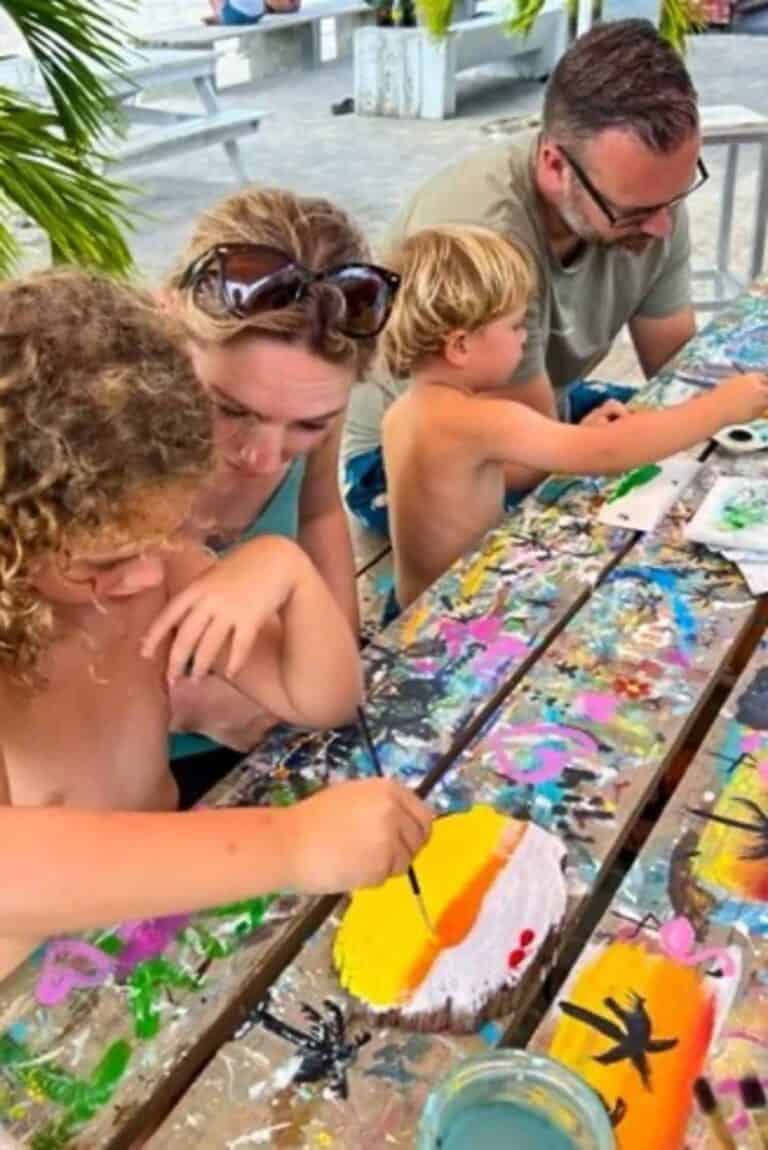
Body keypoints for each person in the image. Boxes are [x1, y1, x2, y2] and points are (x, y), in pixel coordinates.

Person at [0, 269, 432, 979]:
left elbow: (324, 700)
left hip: (158, 918)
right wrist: (290, 844)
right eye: (106, 562)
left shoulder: (156, 563)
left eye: (160, 538)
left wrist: (282, 568)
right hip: (38, 987)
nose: (147, 575)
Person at [343, 18, 708, 536]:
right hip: (395, 464)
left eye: (676, 195)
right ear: (555, 165)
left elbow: (678, 369)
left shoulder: (650, 195)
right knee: (620, 532)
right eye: (635, 211)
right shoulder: (486, 238)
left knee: (698, 443)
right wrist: (607, 435)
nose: (662, 226)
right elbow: (531, 454)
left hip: (544, 410)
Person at [380, 225, 768, 610]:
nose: (524, 338)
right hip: (454, 616)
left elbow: (482, 476)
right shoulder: (481, 419)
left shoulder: (404, 413)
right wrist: (720, 408)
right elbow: (607, 453)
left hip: (407, 609)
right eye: (515, 326)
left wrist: (572, 437)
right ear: (460, 346)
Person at [164, 186, 400, 769]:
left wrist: (338, 651)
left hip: (279, 717)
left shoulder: (307, 393)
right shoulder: (95, 439)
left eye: (309, 425)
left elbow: (319, 514)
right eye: (231, 410)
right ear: (168, 326)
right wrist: (175, 707)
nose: (265, 458)